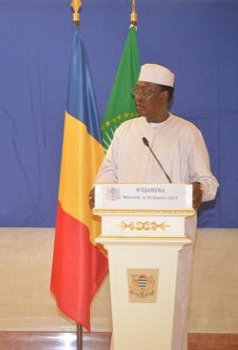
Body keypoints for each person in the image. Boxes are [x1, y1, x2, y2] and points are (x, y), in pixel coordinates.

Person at [94, 63, 219, 350]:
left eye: (146, 91)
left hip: (172, 239)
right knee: (129, 303)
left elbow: (208, 182)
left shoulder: (187, 133)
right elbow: (107, 175)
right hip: (128, 237)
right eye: (137, 90)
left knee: (171, 305)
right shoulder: (126, 131)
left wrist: (198, 191)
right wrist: (98, 191)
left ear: (164, 97)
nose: (138, 97)